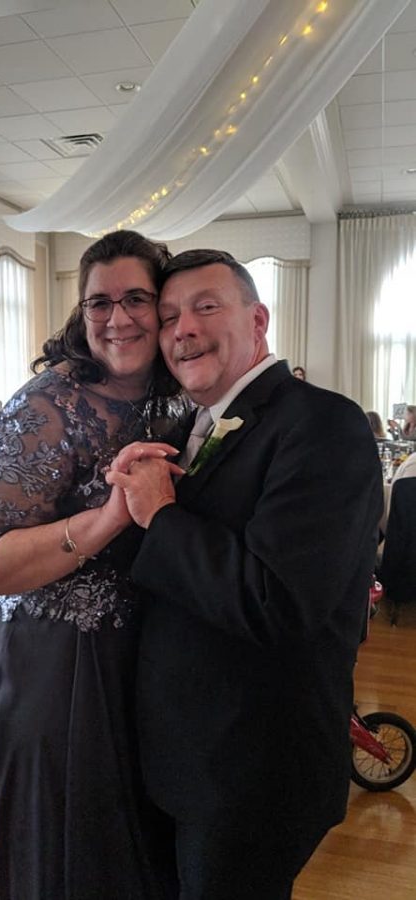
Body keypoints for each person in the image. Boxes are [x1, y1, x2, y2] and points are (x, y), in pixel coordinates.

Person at [107, 249, 383, 900]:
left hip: (252, 773)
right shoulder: (184, 427)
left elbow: (278, 603)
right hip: (182, 758)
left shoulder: (323, 424)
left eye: (206, 307)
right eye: (169, 315)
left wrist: (162, 516)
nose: (182, 328)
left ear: (258, 320)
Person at [0, 230, 189, 900]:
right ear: (79, 313)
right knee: (69, 847)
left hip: (131, 651)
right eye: (99, 303)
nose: (117, 319)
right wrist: (112, 514)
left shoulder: (171, 393)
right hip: (51, 657)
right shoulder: (46, 406)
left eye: (136, 299)